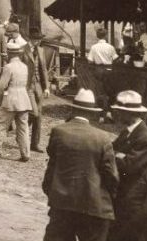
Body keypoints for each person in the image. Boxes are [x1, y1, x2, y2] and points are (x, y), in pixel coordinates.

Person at [42, 88, 118, 241]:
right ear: (92, 113)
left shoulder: (59, 131)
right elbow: (111, 176)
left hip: (63, 202)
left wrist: (52, 192)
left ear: (73, 109)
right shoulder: (103, 138)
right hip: (94, 205)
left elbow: (52, 165)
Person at [108, 90, 147, 241]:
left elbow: (128, 166)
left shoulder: (145, 138)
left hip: (132, 200)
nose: (117, 114)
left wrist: (115, 155)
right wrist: (117, 155)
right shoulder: (128, 132)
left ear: (129, 113)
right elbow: (110, 151)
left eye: (119, 111)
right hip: (121, 195)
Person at [0, 42, 32, 162]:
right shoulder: (24, 66)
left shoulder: (8, 67)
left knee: (1, 125)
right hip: (24, 99)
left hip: (11, 99)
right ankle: (25, 154)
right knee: (23, 128)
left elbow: (1, 86)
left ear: (10, 54)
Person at [22, 29, 50, 153]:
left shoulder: (41, 50)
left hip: (38, 85)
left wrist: (47, 87)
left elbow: (43, 70)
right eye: (36, 39)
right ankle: (21, 134)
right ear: (30, 39)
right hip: (26, 86)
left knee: (39, 116)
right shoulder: (22, 49)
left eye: (39, 39)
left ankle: (35, 144)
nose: (38, 41)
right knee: (34, 113)